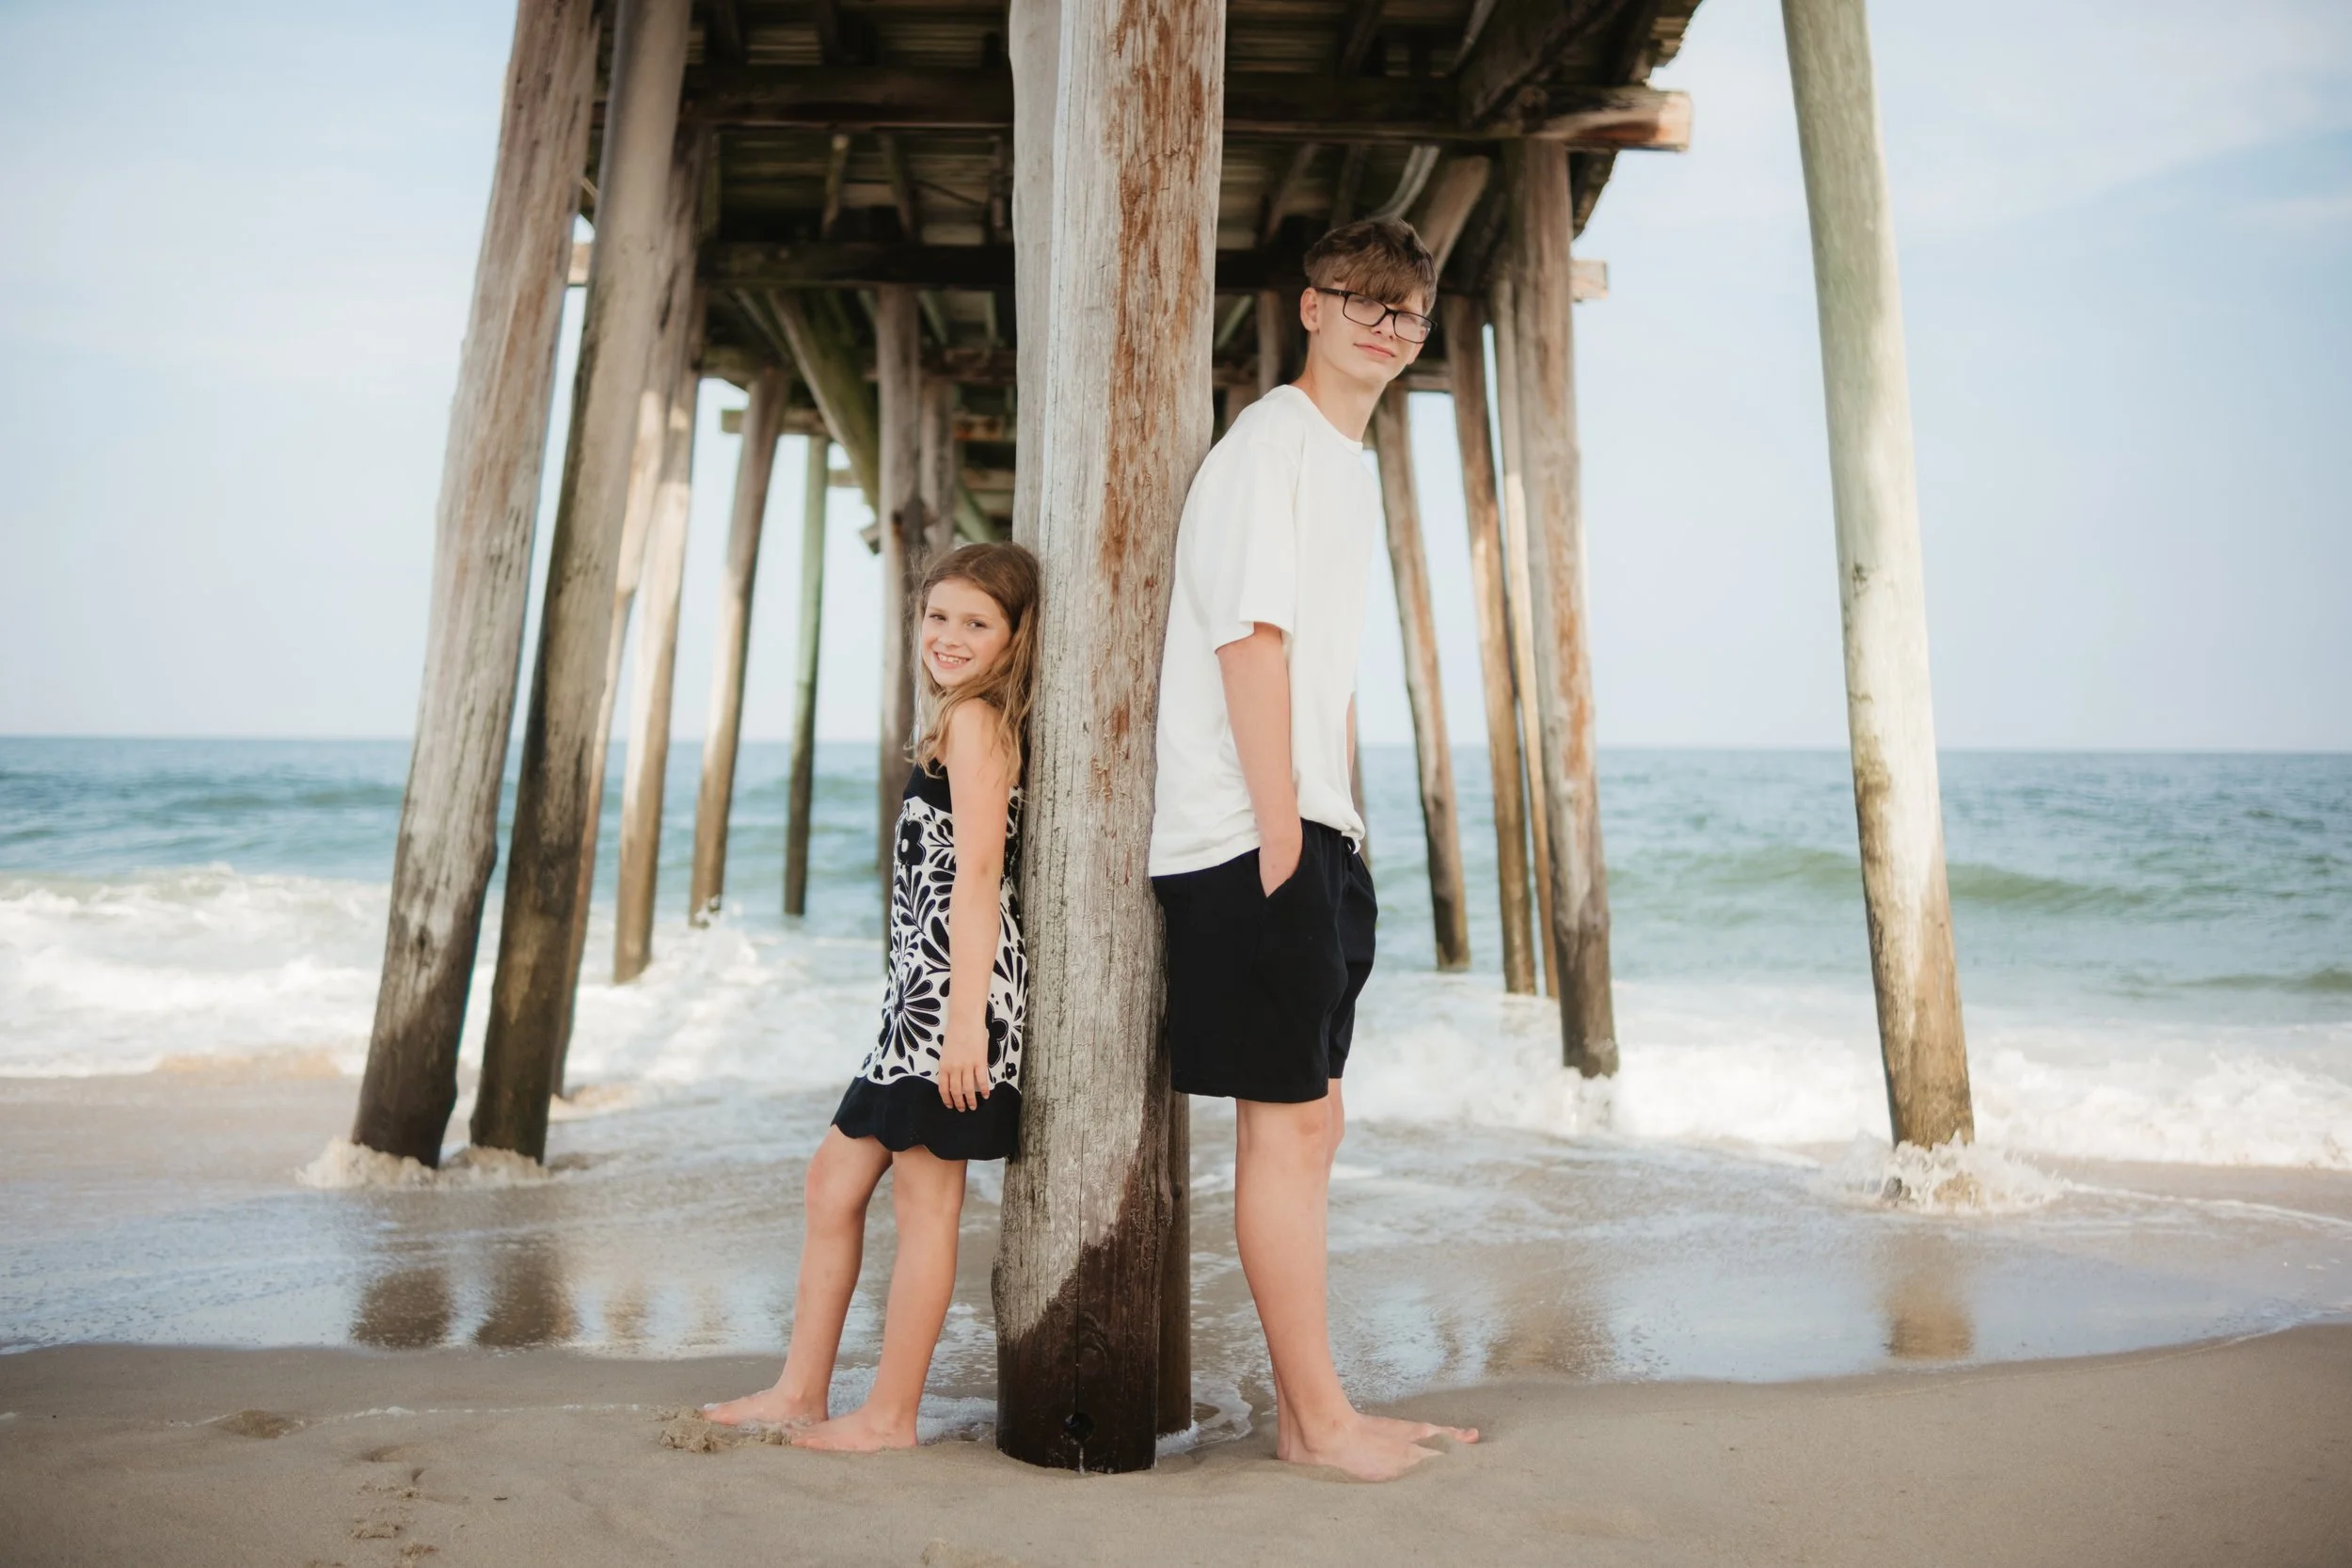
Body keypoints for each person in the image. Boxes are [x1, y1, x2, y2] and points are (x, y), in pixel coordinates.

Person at [1150, 218, 1479, 1481]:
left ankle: (1307, 1411)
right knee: (1285, 1126)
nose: (1387, 327)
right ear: (1310, 308)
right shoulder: (1270, 445)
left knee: (1316, 1121)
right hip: (1248, 830)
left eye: (1407, 310)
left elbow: (1327, 669)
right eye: (1363, 303)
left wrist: (1339, 826)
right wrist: (1285, 831)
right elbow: (1251, 642)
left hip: (1310, 827)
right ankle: (1322, 1423)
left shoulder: (1349, 462)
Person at [705, 542, 1038, 1450]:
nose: (950, 636)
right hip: (918, 1003)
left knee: (925, 1202)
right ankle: (801, 1391)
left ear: (1015, 637)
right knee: (832, 1182)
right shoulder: (955, 720)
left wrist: (965, 1022)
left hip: (952, 1002)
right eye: (938, 617)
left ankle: (890, 1417)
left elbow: (977, 875)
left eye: (977, 622)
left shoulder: (978, 726)